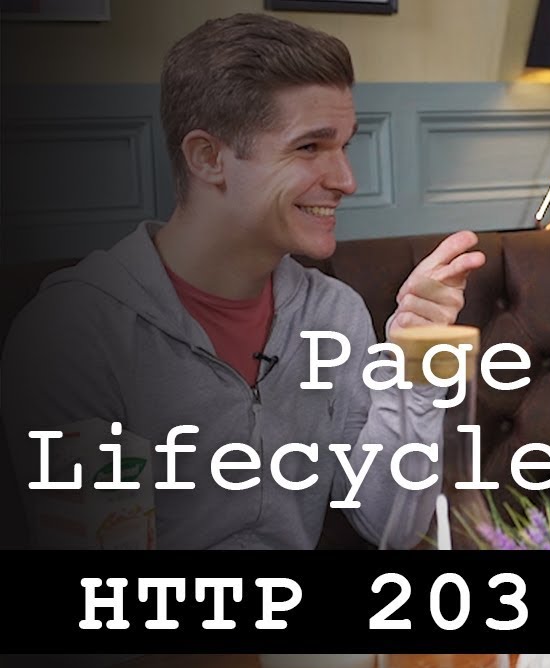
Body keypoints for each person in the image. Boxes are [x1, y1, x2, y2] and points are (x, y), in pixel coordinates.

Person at [1, 13, 484, 549]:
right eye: (309, 147)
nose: (347, 181)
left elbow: (389, 526)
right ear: (209, 158)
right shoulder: (74, 331)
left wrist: (414, 368)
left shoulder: (333, 313)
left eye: (344, 146)